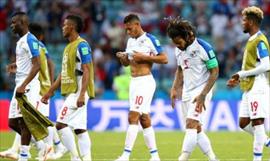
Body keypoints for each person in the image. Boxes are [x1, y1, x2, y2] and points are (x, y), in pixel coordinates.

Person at [0, 23, 67, 160]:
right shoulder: (39, 46)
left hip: (39, 88)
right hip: (40, 86)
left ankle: (51, 146)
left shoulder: (36, 45)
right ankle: (45, 147)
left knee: (36, 120)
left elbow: (41, 65)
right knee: (27, 120)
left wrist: (49, 84)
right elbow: (47, 64)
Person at [114, 14, 168, 161]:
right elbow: (127, 64)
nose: (128, 32)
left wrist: (145, 57)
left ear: (137, 25)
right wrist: (123, 58)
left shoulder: (150, 39)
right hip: (134, 82)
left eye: (130, 28)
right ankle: (155, 156)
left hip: (145, 81)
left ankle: (125, 155)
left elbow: (164, 59)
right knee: (144, 119)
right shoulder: (130, 41)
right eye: (126, 29)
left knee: (133, 116)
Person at [41, 14, 95, 161]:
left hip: (78, 92)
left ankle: (75, 157)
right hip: (72, 92)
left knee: (60, 124)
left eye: (65, 25)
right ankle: (87, 158)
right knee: (80, 129)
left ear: (71, 27)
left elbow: (87, 69)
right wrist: (50, 92)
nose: (62, 28)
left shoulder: (82, 45)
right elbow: (63, 73)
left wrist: (82, 94)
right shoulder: (68, 48)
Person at [167, 17, 219, 161]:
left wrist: (203, 94)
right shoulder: (179, 50)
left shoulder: (204, 47)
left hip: (201, 90)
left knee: (191, 124)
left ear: (188, 36)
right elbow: (180, 69)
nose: (177, 45)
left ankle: (183, 158)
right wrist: (174, 88)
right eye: (174, 43)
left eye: (178, 42)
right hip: (187, 92)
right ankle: (213, 158)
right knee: (196, 128)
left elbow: (215, 71)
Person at [5, 12, 51, 161]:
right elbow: (28, 63)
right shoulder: (21, 41)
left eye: (14, 22)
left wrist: (24, 85)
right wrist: (16, 66)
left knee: (24, 122)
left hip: (28, 86)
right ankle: (41, 146)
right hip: (20, 84)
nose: (11, 25)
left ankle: (23, 156)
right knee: (12, 122)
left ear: (23, 23)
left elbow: (37, 65)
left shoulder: (30, 40)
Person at [227, 6, 270, 161]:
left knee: (258, 123)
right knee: (244, 123)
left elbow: (266, 65)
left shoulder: (260, 40)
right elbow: (253, 65)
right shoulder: (251, 40)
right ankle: (266, 141)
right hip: (249, 87)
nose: (242, 23)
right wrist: (239, 78)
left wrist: (242, 74)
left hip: (259, 87)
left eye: (244, 20)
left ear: (251, 22)